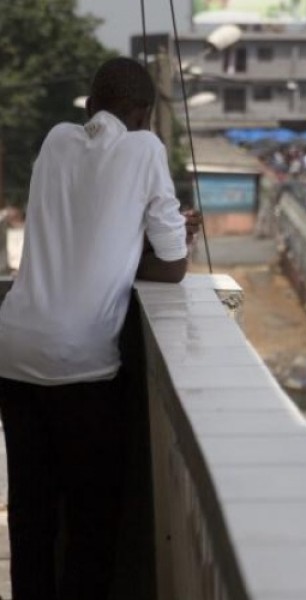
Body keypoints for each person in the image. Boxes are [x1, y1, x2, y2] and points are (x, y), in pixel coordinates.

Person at [0, 57, 200, 600]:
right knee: (92, 519)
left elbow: (83, 237)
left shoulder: (56, 141)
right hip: (81, 363)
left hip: (13, 352)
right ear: (142, 114)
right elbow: (174, 266)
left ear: (90, 105)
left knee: (31, 513)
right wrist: (175, 235)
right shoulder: (145, 148)